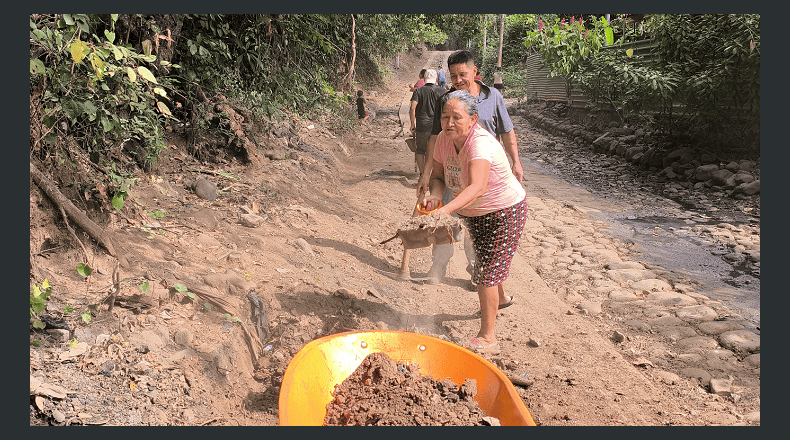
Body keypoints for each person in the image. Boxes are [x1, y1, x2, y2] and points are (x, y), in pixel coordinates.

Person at [420, 90, 527, 352]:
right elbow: (438, 178)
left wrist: (445, 211)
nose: (449, 123)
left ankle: (488, 338)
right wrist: (435, 198)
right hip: (475, 212)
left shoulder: (480, 143)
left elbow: (477, 187)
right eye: (445, 117)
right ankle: (500, 298)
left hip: (503, 211)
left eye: (457, 117)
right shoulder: (445, 141)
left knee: (485, 273)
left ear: (473, 119)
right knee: (487, 260)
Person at [417, 49, 524, 286]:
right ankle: (438, 266)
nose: (458, 81)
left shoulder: (493, 97)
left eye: (462, 74)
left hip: (482, 177)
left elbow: (507, 131)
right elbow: (436, 138)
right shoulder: (447, 102)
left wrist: (515, 162)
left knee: (477, 226)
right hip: (452, 173)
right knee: (443, 220)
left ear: (474, 72)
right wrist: (426, 175)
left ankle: (478, 272)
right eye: (453, 76)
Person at [408, 69, 445, 178]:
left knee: (420, 150)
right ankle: (432, 174)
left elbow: (412, 107)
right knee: (435, 152)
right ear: (436, 79)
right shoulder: (442, 92)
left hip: (422, 126)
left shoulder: (418, 91)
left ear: (424, 79)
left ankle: (422, 173)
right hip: (437, 128)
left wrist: (412, 124)